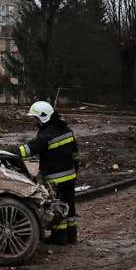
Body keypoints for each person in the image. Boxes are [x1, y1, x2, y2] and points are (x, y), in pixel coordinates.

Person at [14, 100, 78, 244]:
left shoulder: (47, 134)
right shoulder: (66, 129)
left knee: (58, 207)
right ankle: (72, 236)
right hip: (70, 176)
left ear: (43, 117)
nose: (33, 122)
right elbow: (76, 155)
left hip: (56, 180)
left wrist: (10, 151)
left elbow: (29, 149)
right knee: (70, 206)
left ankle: (59, 237)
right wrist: (75, 171)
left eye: (35, 119)